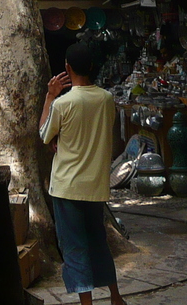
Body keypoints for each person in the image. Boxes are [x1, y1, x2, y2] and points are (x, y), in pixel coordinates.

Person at [39, 42, 126, 305]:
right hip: (95, 185)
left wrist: (49, 97)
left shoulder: (63, 103)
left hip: (67, 186)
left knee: (75, 247)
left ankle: (86, 303)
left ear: (67, 68)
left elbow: (45, 135)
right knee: (98, 242)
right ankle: (115, 297)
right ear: (91, 67)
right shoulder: (107, 99)